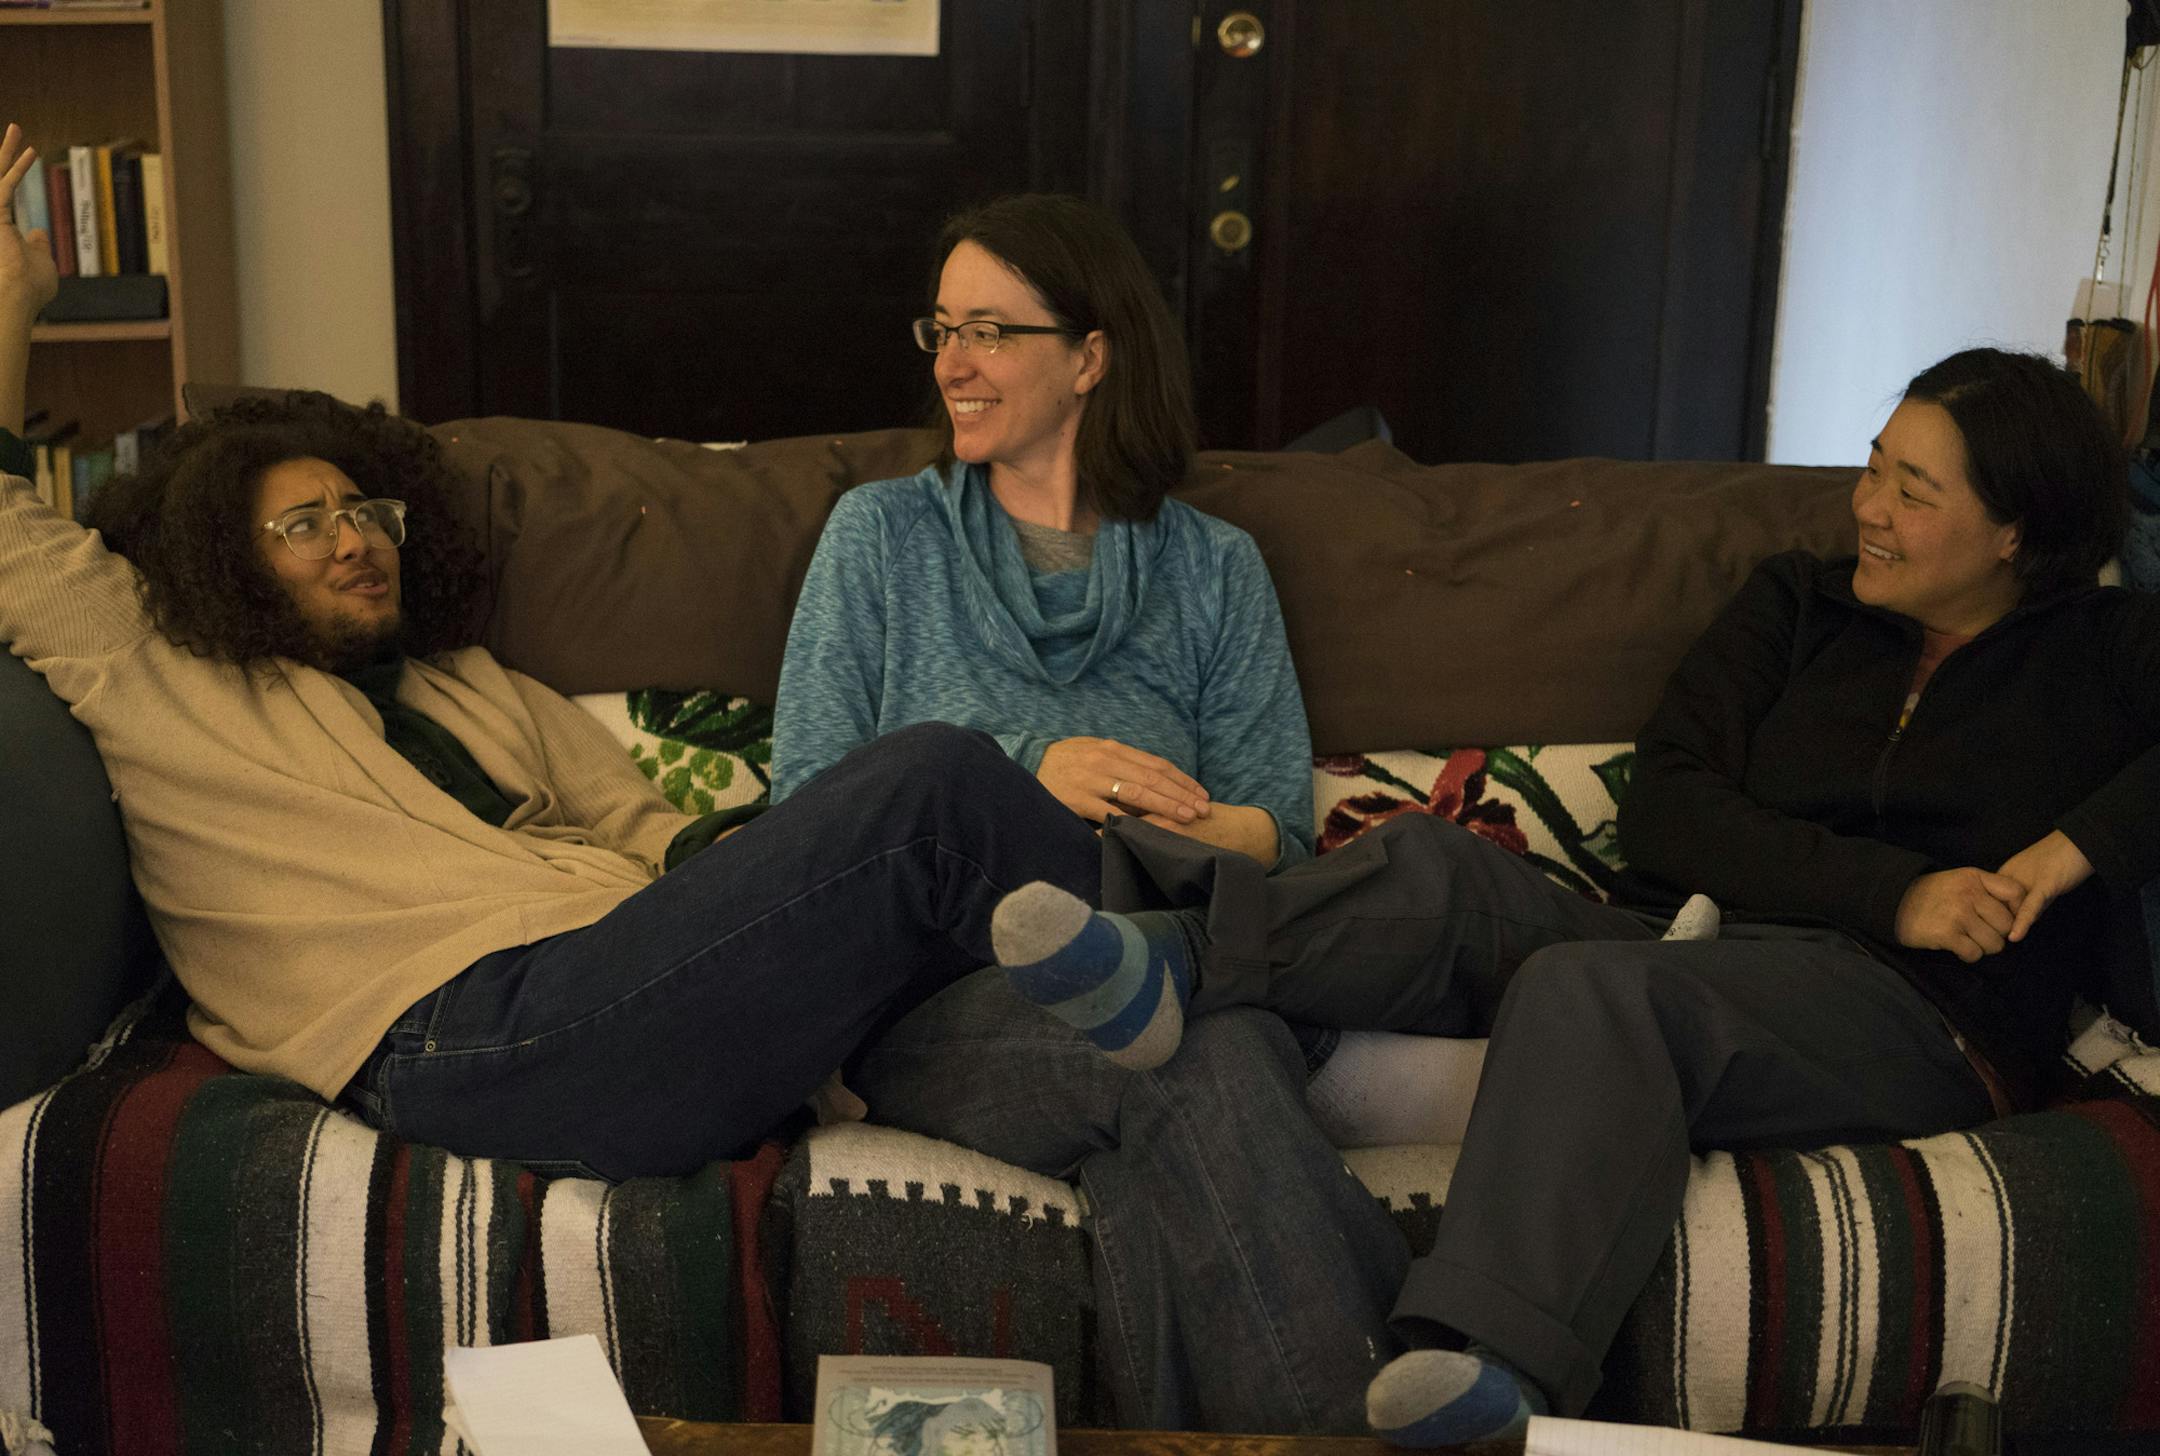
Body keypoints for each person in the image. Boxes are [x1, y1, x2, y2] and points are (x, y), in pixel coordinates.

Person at [0, 126, 1412, 1432]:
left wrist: (789, 897)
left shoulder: (482, 691)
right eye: (302, 525)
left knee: (1191, 1050)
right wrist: (12, 310)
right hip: (465, 1034)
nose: (354, 541)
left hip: (648, 1003)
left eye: (364, 509)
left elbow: (673, 847)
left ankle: (1341, 1426)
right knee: (937, 781)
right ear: (217, 559)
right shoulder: (166, 678)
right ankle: (1326, 943)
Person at [968, 342, 2160, 1443]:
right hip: (1709, 937)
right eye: (1871, 467)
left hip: (1918, 1012)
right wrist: (1895, 886)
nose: (1869, 508)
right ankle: (1166, 961)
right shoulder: (1802, 603)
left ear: (2016, 533)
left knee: (1597, 992)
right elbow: (1671, 805)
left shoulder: (2104, 653)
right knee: (1441, 868)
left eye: (1914, 490)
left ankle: (1485, 1371)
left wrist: (2069, 852)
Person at [771, 193, 1313, 870]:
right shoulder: (880, 535)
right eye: (943, 332)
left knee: (1437, 870)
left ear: (1088, 360)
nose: (949, 366)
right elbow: (802, 816)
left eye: (987, 333)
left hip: (1149, 918)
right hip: (939, 937)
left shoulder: (1216, 566)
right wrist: (1027, 772)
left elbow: (1279, 840)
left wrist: (1124, 834)